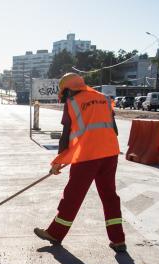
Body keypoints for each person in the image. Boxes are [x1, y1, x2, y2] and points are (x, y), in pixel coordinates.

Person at [34, 73, 127, 253]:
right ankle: (118, 239)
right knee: (110, 196)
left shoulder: (73, 103)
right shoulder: (104, 99)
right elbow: (113, 129)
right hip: (110, 153)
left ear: (69, 90)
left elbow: (66, 135)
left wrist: (58, 161)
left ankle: (55, 233)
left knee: (73, 195)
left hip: (87, 156)